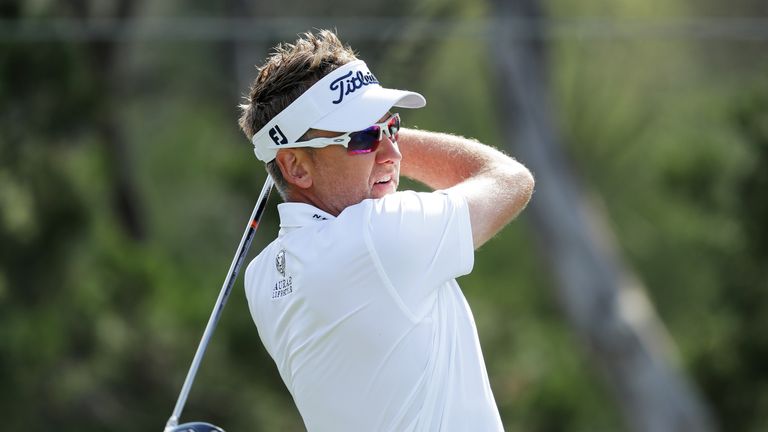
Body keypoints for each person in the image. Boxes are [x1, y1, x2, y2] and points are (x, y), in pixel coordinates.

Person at [238, 29, 534, 432]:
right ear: (296, 167)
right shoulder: (378, 238)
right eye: (363, 138)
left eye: (392, 129)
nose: (393, 153)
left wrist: (366, 132)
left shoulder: (262, 276)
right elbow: (510, 178)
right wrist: (384, 129)